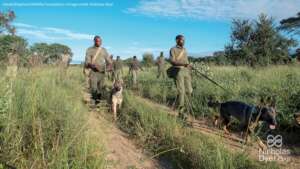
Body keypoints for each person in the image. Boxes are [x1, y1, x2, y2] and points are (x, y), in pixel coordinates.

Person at [169, 35, 193, 121]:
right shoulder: (173, 49)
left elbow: (186, 61)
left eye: (184, 40)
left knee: (189, 91)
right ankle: (181, 113)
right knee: (181, 92)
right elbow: (172, 61)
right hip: (178, 72)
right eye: (181, 40)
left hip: (186, 72)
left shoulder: (185, 50)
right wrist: (184, 64)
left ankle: (187, 111)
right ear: (177, 40)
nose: (183, 41)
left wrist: (189, 67)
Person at [84, 35, 109, 106]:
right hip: (93, 72)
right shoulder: (89, 50)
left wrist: (109, 66)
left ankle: (98, 102)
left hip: (102, 72)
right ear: (94, 41)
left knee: (101, 88)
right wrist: (93, 66)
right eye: (98, 41)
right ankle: (93, 104)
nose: (99, 42)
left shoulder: (104, 50)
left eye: (101, 41)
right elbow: (87, 62)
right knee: (94, 88)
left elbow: (108, 60)